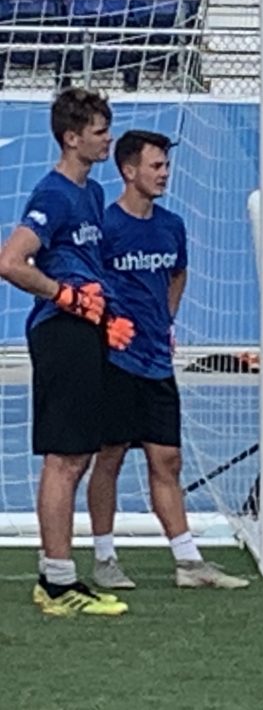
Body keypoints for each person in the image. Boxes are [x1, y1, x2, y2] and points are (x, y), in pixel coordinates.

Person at [86, 130, 249, 590]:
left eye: (166, 166)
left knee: (168, 459)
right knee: (110, 457)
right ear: (128, 170)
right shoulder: (106, 227)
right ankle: (104, 557)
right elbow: (89, 283)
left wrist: (166, 319)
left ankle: (188, 561)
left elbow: (178, 272)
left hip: (158, 361)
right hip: (116, 362)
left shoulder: (172, 225)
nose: (164, 174)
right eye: (155, 166)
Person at [0, 87, 134, 616]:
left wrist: (107, 315)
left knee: (79, 454)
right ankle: (56, 583)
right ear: (71, 138)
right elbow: (11, 262)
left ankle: (60, 574)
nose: (108, 140)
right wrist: (67, 297)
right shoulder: (52, 194)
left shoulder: (93, 194)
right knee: (64, 458)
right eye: (99, 131)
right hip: (61, 332)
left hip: (87, 330)